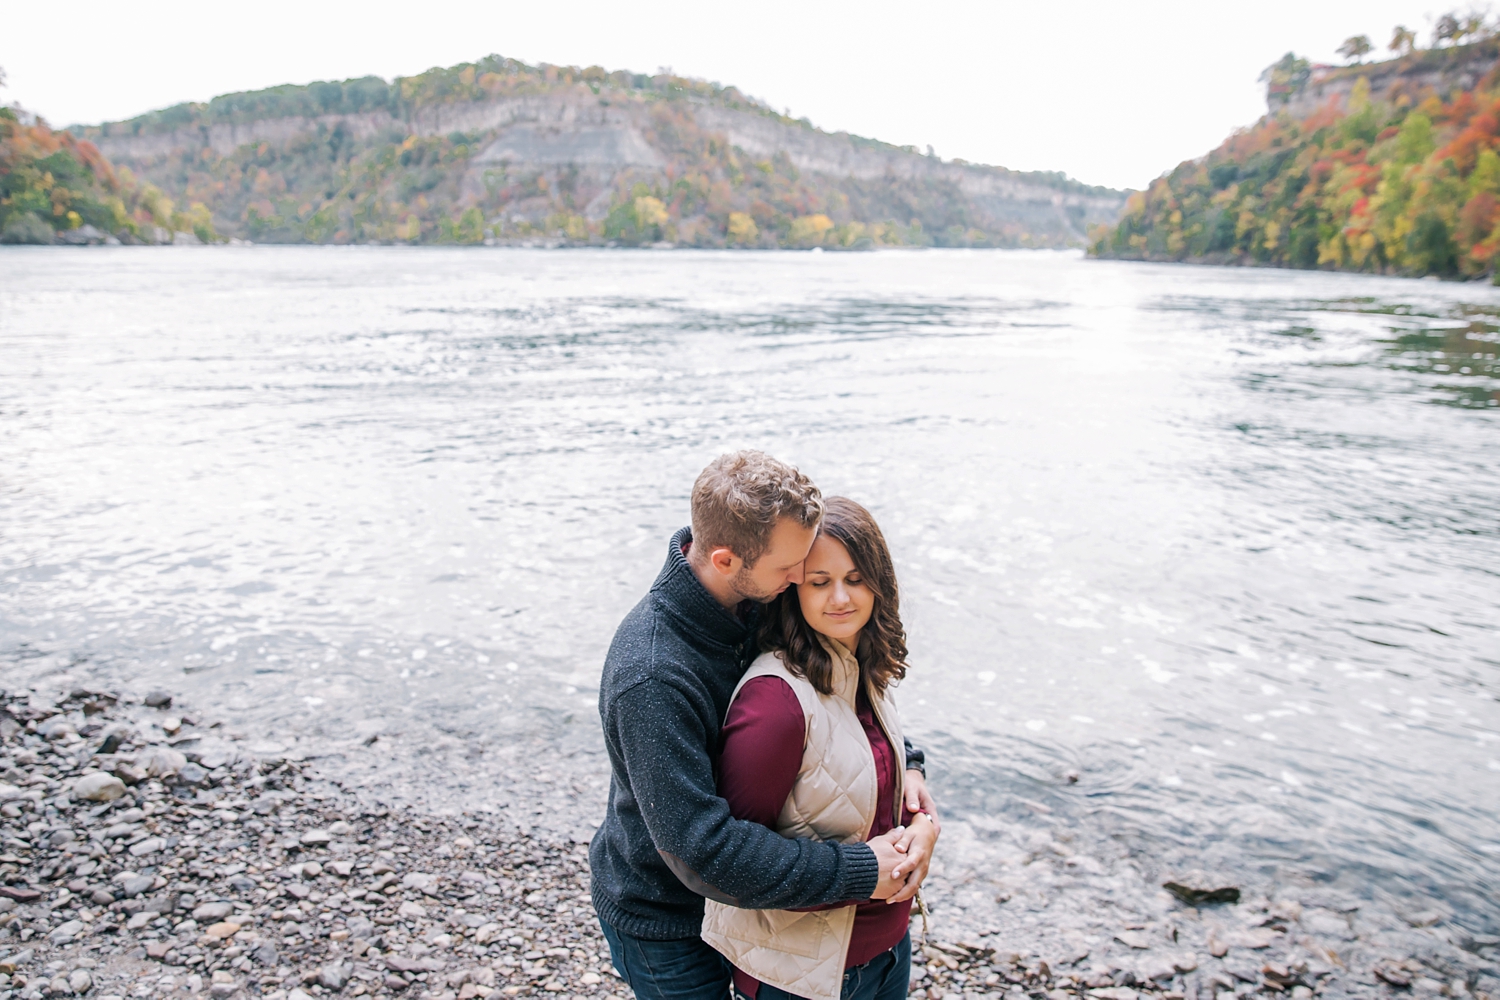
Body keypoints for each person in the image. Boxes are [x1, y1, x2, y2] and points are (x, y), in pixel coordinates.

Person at [591, 451, 940, 1000]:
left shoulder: (756, 596)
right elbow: (701, 850)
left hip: (749, 904)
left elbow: (838, 696)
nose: (803, 577)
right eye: (791, 568)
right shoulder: (652, 674)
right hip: (669, 916)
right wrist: (859, 870)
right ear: (726, 559)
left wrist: (909, 766)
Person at [703, 496, 936, 1000]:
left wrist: (922, 823)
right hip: (804, 978)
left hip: (888, 952)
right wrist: (862, 872)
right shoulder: (776, 704)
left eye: (855, 579)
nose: (840, 598)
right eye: (819, 581)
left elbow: (871, 783)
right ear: (794, 589)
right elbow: (737, 861)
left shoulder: (858, 668)